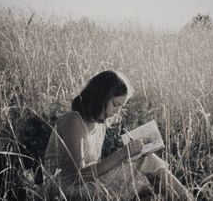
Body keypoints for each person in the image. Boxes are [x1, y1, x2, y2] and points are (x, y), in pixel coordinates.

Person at [43, 70, 193, 201]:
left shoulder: (99, 126)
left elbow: (94, 169)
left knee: (144, 165)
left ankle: (184, 198)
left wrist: (128, 156)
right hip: (64, 192)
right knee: (144, 165)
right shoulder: (73, 121)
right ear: (100, 97)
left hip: (83, 187)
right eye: (115, 104)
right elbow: (77, 176)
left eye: (121, 107)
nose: (117, 112)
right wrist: (122, 155)